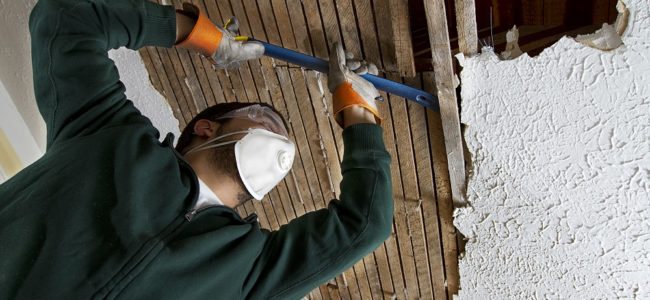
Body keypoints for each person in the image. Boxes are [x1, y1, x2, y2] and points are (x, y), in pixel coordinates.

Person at [0, 0, 393, 298]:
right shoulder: (108, 132)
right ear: (206, 127)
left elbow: (365, 225)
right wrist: (195, 33)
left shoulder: (250, 270)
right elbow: (64, 19)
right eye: (263, 119)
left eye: (281, 138)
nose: (278, 142)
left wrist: (357, 110)